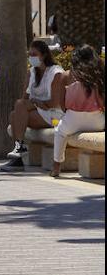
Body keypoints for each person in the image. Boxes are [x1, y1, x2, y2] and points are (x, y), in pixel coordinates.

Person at [0, 39, 66, 170]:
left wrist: (36, 102)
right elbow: (25, 98)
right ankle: (19, 151)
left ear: (44, 55)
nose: (31, 57)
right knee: (15, 114)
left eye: (34, 54)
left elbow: (55, 102)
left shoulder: (56, 73)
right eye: (29, 54)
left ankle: (18, 154)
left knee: (15, 116)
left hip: (54, 117)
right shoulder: (32, 72)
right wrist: (35, 103)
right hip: (39, 111)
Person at [52, 45, 106, 177]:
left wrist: (67, 113)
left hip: (72, 119)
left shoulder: (66, 75)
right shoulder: (99, 74)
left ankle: (56, 166)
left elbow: (61, 102)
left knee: (59, 133)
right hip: (97, 121)